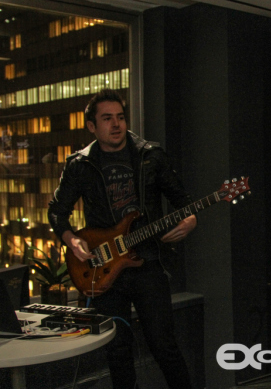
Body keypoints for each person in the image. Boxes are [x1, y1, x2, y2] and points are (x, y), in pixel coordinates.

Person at [48, 89, 197, 389]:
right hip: (103, 268)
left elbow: (183, 201)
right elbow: (56, 211)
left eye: (120, 117)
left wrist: (190, 220)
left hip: (148, 264)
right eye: (107, 119)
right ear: (91, 126)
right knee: (117, 350)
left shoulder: (150, 156)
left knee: (164, 346)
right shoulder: (79, 164)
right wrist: (71, 240)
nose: (116, 124)